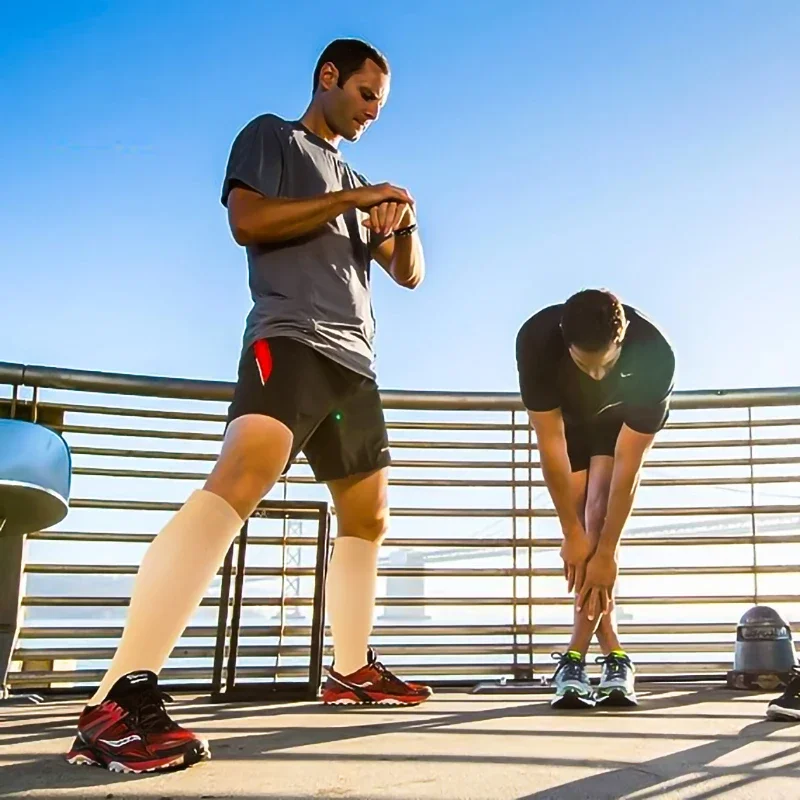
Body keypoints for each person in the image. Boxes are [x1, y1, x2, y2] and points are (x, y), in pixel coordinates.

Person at [66, 38, 430, 774]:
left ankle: (351, 669)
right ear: (328, 77)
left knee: (369, 516)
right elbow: (249, 223)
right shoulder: (272, 136)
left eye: (381, 106)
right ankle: (115, 700)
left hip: (355, 365)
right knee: (240, 480)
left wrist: (402, 220)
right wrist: (357, 199)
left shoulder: (358, 180)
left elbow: (411, 276)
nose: (371, 112)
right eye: (365, 95)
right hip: (289, 340)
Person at [516, 289, 675, 708]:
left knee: (599, 516)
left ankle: (575, 658)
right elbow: (550, 445)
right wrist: (570, 533)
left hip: (616, 422)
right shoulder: (537, 342)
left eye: (608, 363)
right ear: (567, 345)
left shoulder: (655, 354)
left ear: (621, 341)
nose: (598, 375)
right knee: (582, 534)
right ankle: (614, 656)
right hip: (568, 421)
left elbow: (629, 466)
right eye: (586, 364)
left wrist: (609, 550)